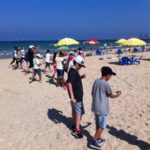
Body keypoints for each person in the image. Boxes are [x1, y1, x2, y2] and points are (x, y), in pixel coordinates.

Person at [90, 66, 121, 149]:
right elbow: (110, 95)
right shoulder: (106, 84)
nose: (110, 77)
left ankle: (98, 138)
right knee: (102, 125)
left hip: (95, 107)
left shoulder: (96, 81)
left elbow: (93, 93)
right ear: (107, 75)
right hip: (102, 108)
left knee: (98, 124)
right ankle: (94, 141)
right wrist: (118, 95)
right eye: (110, 75)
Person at [67, 55, 86, 138]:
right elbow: (69, 83)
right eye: (80, 66)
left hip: (77, 95)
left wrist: (81, 77)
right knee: (79, 112)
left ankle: (75, 124)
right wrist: (72, 97)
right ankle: (76, 129)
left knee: (75, 111)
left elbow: (74, 81)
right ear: (76, 64)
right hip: (76, 96)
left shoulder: (74, 70)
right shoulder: (72, 71)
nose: (81, 67)